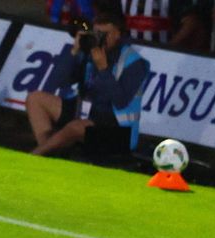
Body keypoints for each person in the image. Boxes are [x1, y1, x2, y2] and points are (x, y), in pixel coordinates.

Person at [25, 9, 150, 157]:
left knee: (77, 127)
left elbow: (120, 101)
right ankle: (48, 154)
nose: (101, 38)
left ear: (118, 34)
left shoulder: (134, 62)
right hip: (86, 113)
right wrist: (74, 50)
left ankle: (34, 156)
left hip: (118, 134)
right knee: (35, 99)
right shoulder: (89, 51)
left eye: (106, 34)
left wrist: (103, 69)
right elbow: (58, 81)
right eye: (97, 33)